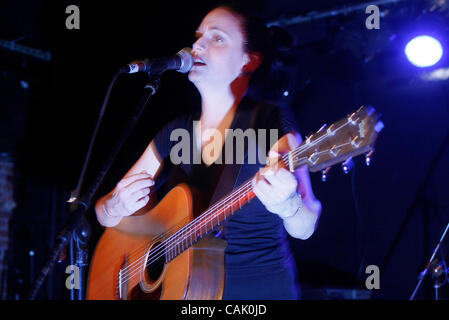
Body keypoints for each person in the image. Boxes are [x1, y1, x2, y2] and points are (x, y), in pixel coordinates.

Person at [95, 4, 322, 300]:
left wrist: (288, 204)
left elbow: (306, 225)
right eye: (199, 36)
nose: (198, 44)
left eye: (217, 38)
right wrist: (115, 207)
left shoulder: (271, 122)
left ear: (248, 61)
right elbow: (103, 213)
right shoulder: (176, 132)